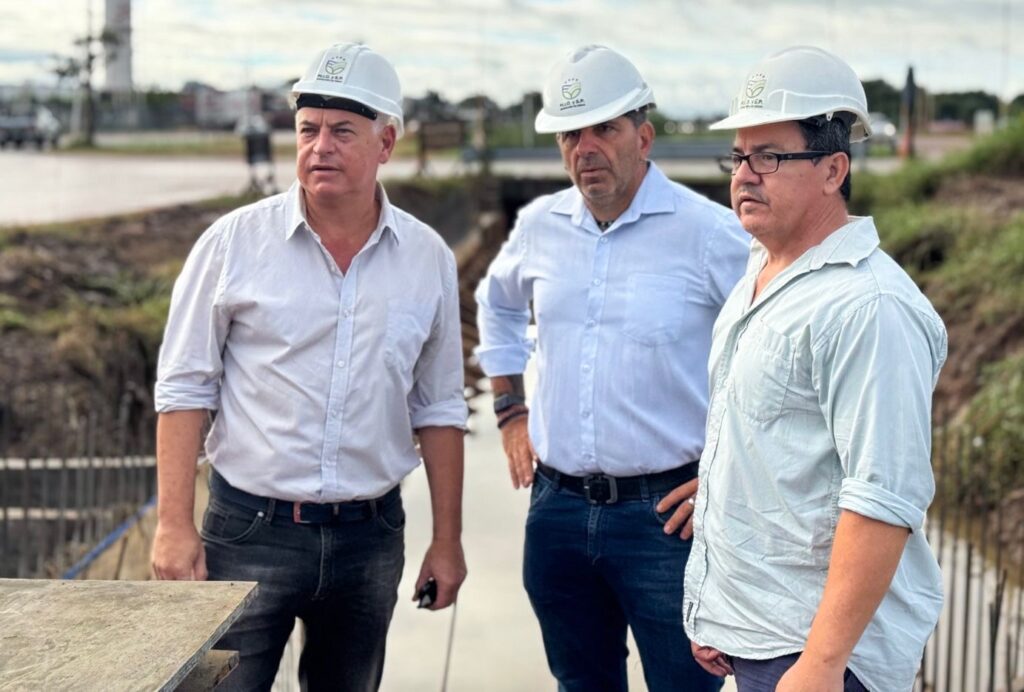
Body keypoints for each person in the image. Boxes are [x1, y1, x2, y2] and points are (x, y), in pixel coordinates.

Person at [151, 42, 467, 691]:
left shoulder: (427, 257)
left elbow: (438, 406)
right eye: (308, 130)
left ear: (386, 142)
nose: (320, 147)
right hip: (248, 532)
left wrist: (447, 540)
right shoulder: (233, 244)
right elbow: (184, 388)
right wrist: (173, 525)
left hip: (370, 538)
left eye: (342, 131)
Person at [474, 44, 750, 692]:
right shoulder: (539, 227)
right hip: (557, 514)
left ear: (643, 137)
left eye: (605, 128)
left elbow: (771, 357)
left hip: (668, 522)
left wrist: (732, 477)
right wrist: (510, 412)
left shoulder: (712, 234)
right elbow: (496, 305)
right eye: (571, 134)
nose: (586, 147)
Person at [683, 46, 946, 692]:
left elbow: (882, 498)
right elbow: (771, 441)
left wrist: (823, 664)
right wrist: (718, 593)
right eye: (738, 157)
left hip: (817, 657)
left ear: (833, 170)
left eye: (769, 157)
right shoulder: (765, 269)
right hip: (760, 633)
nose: (745, 175)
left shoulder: (870, 307)